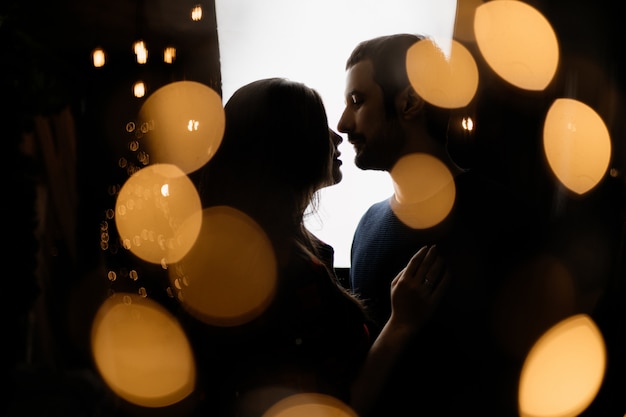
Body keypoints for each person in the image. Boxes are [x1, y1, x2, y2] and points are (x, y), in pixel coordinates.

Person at [188, 77, 449, 417]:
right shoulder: (292, 272)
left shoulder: (246, 251)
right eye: (318, 126)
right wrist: (401, 323)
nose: (337, 134)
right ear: (288, 149)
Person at [337, 34, 543, 416]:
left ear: (410, 102)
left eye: (357, 101)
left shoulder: (501, 216)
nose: (343, 122)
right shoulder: (366, 227)